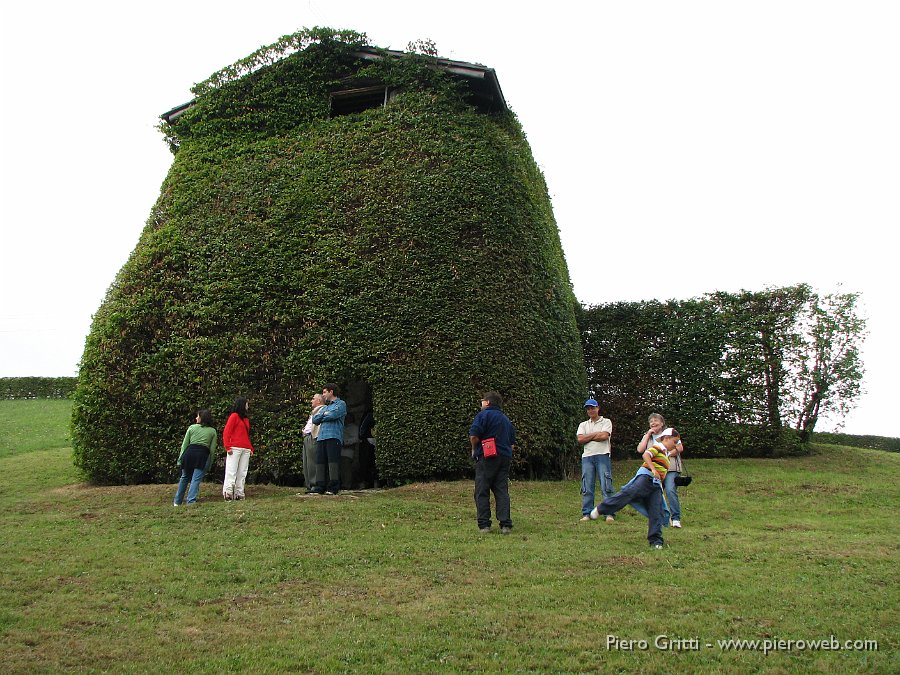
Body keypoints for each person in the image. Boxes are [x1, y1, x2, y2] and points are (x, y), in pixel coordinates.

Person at [591, 428, 679, 549]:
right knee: (629, 493)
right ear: (666, 439)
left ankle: (656, 541)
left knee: (656, 511)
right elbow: (646, 455)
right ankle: (602, 508)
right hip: (645, 478)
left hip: (656, 485)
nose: (675, 445)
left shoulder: (666, 454)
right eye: (674, 442)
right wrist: (653, 469)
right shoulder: (658, 447)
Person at [469, 391, 516, 535]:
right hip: (504, 457)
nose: (481, 403)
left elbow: (474, 435)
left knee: (482, 490)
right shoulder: (506, 419)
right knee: (501, 490)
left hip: (487, 456)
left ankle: (484, 525)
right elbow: (512, 443)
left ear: (488, 402)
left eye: (483, 400)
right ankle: (505, 525)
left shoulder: (483, 415)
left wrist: (473, 449)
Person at [637, 413, 685, 528]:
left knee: (670, 490)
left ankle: (676, 518)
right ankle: (661, 519)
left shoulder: (670, 433)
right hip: (656, 471)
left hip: (671, 468)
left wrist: (667, 455)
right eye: (651, 421)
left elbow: (680, 447)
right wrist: (647, 434)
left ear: (662, 423)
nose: (653, 423)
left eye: (655, 420)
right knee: (656, 494)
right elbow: (640, 450)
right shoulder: (648, 436)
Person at [576, 398, 614, 523]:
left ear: (598, 408)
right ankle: (587, 513)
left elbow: (604, 436)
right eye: (588, 408)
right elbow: (580, 439)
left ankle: (609, 513)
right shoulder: (583, 424)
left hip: (603, 455)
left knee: (606, 485)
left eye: (593, 408)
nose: (591, 410)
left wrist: (589, 437)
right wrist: (595, 435)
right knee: (587, 486)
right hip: (587, 456)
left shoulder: (606, 421)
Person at [173, 409, 217, 506]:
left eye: (198, 416)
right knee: (195, 479)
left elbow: (184, 445)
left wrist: (180, 459)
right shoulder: (212, 431)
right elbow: (212, 450)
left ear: (202, 418)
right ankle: (191, 501)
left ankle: (177, 501)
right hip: (202, 455)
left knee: (184, 477)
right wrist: (209, 464)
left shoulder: (191, 428)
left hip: (189, 453)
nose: (196, 418)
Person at [311, 383, 347, 495]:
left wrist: (324, 415)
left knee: (333, 462)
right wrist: (325, 414)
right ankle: (320, 486)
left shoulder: (341, 404)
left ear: (331, 392)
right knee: (320, 462)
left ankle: (333, 486)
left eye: (324, 392)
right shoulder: (325, 407)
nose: (323, 395)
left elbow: (334, 415)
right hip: (321, 437)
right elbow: (315, 419)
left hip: (334, 436)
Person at [222, 397, 254, 500]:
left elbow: (246, 435)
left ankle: (239, 493)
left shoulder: (245, 419)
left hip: (245, 448)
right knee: (232, 470)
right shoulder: (234, 416)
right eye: (246, 404)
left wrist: (250, 448)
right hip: (234, 447)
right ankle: (228, 492)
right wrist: (227, 446)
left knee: (242, 472)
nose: (247, 406)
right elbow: (227, 431)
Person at [302, 394, 325, 494]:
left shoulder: (322, 409)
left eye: (313, 399)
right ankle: (309, 484)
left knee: (312, 462)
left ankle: (315, 484)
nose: (311, 401)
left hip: (313, 437)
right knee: (306, 462)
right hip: (307, 437)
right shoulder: (314, 411)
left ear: (319, 400)